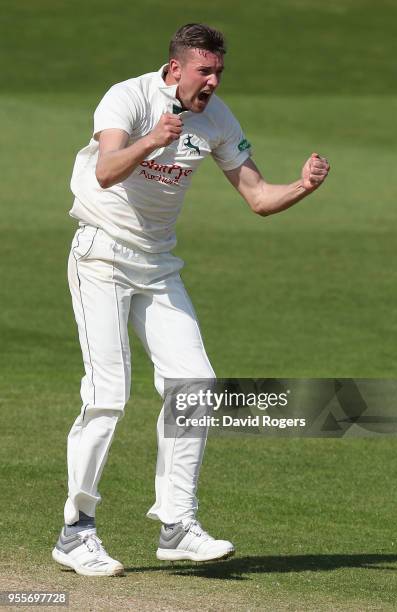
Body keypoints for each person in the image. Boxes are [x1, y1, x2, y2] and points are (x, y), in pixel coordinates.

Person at [52, 23, 330, 577]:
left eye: (219, 71)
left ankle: (176, 524)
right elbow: (106, 171)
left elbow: (257, 197)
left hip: (158, 267)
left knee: (194, 385)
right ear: (176, 68)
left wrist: (301, 186)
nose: (213, 82)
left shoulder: (219, 119)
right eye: (205, 71)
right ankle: (75, 531)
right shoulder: (126, 97)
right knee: (107, 396)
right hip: (100, 257)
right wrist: (152, 139)